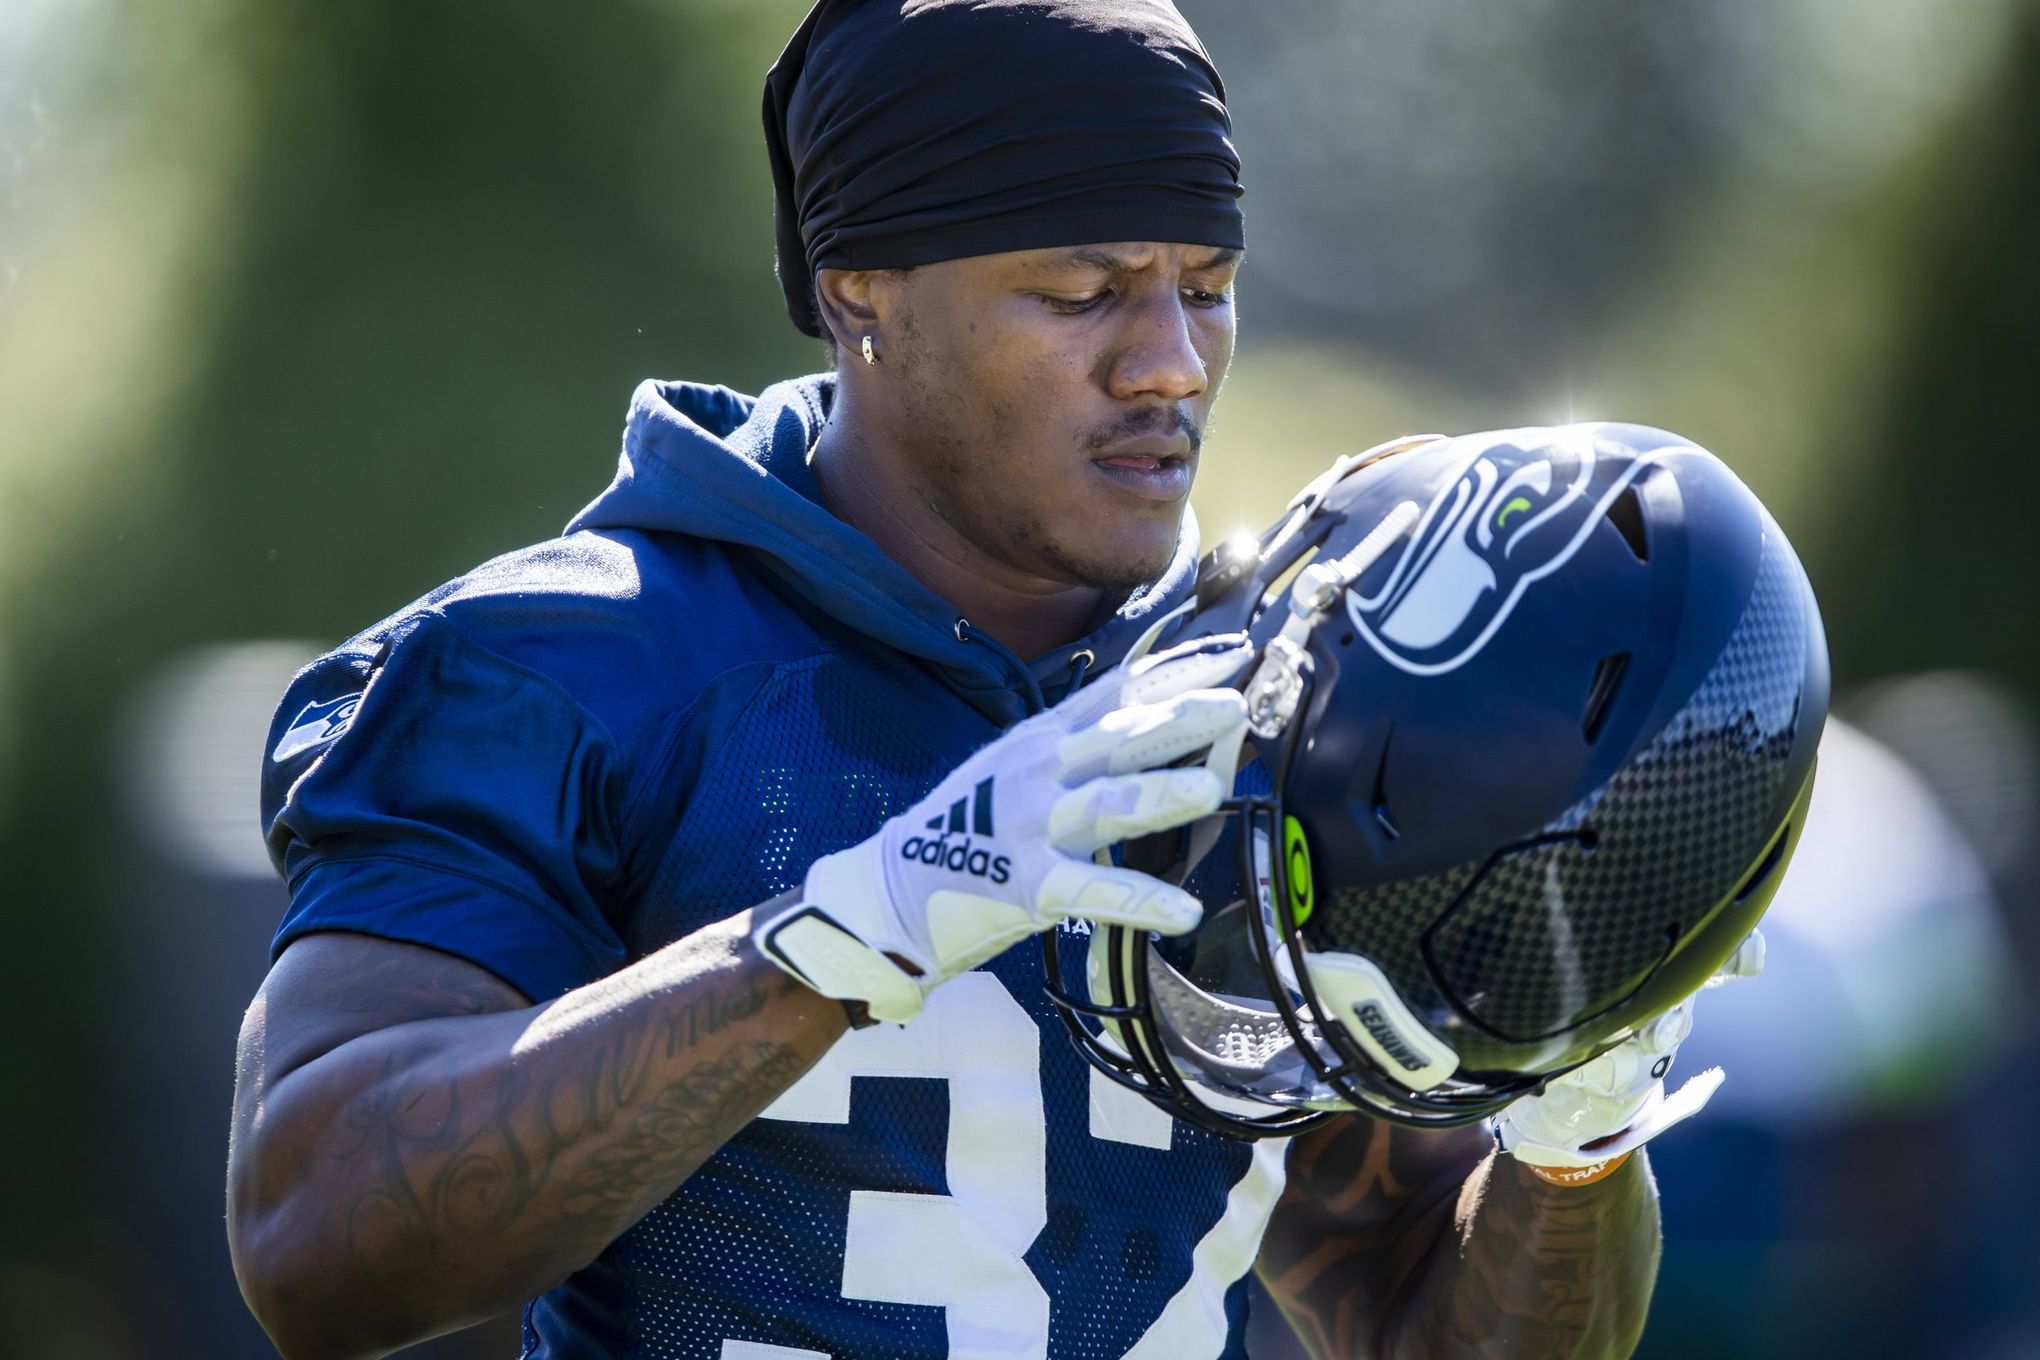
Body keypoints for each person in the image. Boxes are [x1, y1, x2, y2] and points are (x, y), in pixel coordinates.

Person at [227, 3, 1678, 1357]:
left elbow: (1421, 1302)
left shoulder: (1274, 698)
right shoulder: (570, 668)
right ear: (862, 293)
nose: (1170, 363)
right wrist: (848, 936)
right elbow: (315, 1238)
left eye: (1208, 286)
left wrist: (1575, 1130)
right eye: (1085, 292)